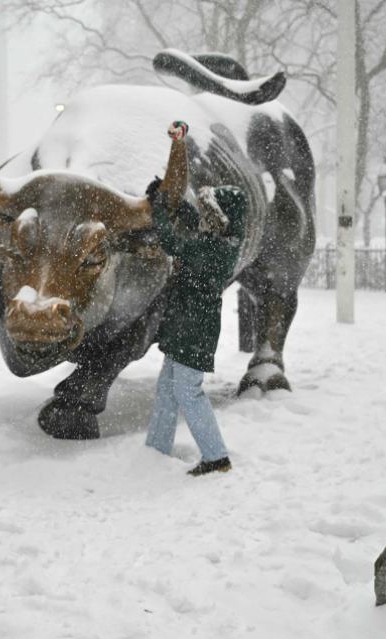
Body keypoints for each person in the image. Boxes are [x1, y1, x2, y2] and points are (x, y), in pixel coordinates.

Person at [144, 120, 248, 477]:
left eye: (213, 211)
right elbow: (193, 220)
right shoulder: (217, 240)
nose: (207, 216)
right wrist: (164, 195)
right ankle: (156, 450)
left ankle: (216, 457)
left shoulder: (218, 251)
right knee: (167, 387)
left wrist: (158, 211)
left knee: (187, 390)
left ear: (224, 219)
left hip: (196, 328)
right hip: (186, 323)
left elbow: (174, 243)